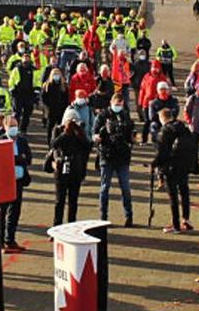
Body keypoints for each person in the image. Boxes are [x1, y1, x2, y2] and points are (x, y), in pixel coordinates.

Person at [95, 92, 136, 226]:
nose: (118, 106)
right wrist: (98, 136)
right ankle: (103, 216)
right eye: (116, 104)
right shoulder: (102, 116)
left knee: (125, 188)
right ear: (111, 103)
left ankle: (129, 216)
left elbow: (131, 133)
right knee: (105, 188)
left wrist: (132, 138)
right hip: (107, 155)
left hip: (122, 156)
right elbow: (95, 133)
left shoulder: (125, 115)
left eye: (120, 104)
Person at [154, 108, 197, 233]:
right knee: (184, 192)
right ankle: (186, 220)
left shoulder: (165, 130)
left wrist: (155, 165)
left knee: (173, 196)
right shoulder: (184, 128)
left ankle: (175, 224)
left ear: (162, 118)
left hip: (170, 167)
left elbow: (161, 152)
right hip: (184, 165)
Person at [0, 116, 32, 252]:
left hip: (18, 181)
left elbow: (28, 158)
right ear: (5, 127)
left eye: (15, 125)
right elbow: (1, 161)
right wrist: (18, 159)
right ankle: (0, 243)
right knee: (2, 212)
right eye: (11, 126)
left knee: (15, 212)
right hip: (4, 181)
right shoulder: (0, 141)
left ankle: (10, 240)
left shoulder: (22, 141)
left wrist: (15, 159)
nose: (14, 128)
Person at [50, 114, 91, 226]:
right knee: (60, 200)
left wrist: (78, 132)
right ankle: (57, 226)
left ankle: (71, 225)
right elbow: (53, 144)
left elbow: (88, 147)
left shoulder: (79, 132)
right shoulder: (58, 130)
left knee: (73, 200)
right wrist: (65, 133)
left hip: (76, 168)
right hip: (61, 168)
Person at [41, 67, 71, 143]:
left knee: (60, 127)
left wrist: (66, 108)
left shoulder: (64, 85)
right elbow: (43, 97)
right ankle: (49, 142)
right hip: (51, 109)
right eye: (54, 74)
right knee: (50, 127)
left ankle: (58, 143)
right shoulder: (47, 85)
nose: (56, 76)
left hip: (61, 109)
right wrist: (47, 107)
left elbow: (66, 98)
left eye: (57, 74)